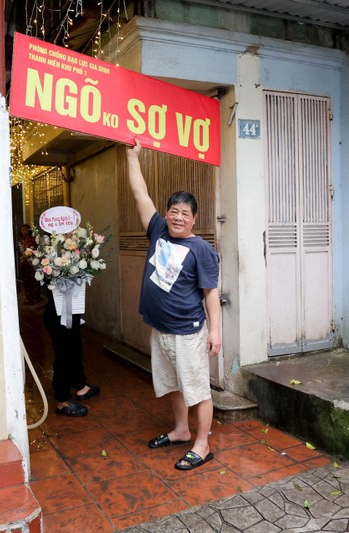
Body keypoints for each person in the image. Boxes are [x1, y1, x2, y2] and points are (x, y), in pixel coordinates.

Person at [125, 139, 222, 471]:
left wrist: (216, 333)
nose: (177, 218)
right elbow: (141, 194)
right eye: (173, 211)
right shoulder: (157, 231)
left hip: (187, 332)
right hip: (160, 330)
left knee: (197, 390)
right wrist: (132, 157)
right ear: (166, 214)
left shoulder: (202, 250)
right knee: (171, 385)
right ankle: (181, 431)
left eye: (185, 213)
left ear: (194, 218)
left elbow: (210, 294)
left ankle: (203, 444)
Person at [43, 290, 100, 417]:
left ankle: (80, 385)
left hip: (70, 309)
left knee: (75, 347)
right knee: (64, 354)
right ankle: (63, 401)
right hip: (59, 313)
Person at [18, 224, 42, 305]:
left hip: (32, 264)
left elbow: (34, 251)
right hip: (24, 265)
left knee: (34, 281)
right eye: (22, 230)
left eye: (25, 229)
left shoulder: (32, 239)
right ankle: (30, 299)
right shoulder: (22, 241)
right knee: (26, 282)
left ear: (29, 230)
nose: (23, 232)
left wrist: (27, 255)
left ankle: (36, 297)